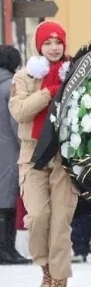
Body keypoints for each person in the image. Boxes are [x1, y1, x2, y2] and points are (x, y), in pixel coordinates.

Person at [9, 21, 79, 287]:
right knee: (37, 217)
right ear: (39, 46)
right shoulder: (25, 76)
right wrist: (49, 92)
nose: (54, 47)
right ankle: (46, 270)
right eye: (48, 43)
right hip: (32, 156)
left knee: (61, 220)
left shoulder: (74, 74)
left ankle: (59, 281)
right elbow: (19, 111)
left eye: (58, 42)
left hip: (64, 156)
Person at [0, 45, 28, 265]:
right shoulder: (11, 86)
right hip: (8, 150)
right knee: (7, 201)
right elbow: (16, 121)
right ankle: (6, 249)